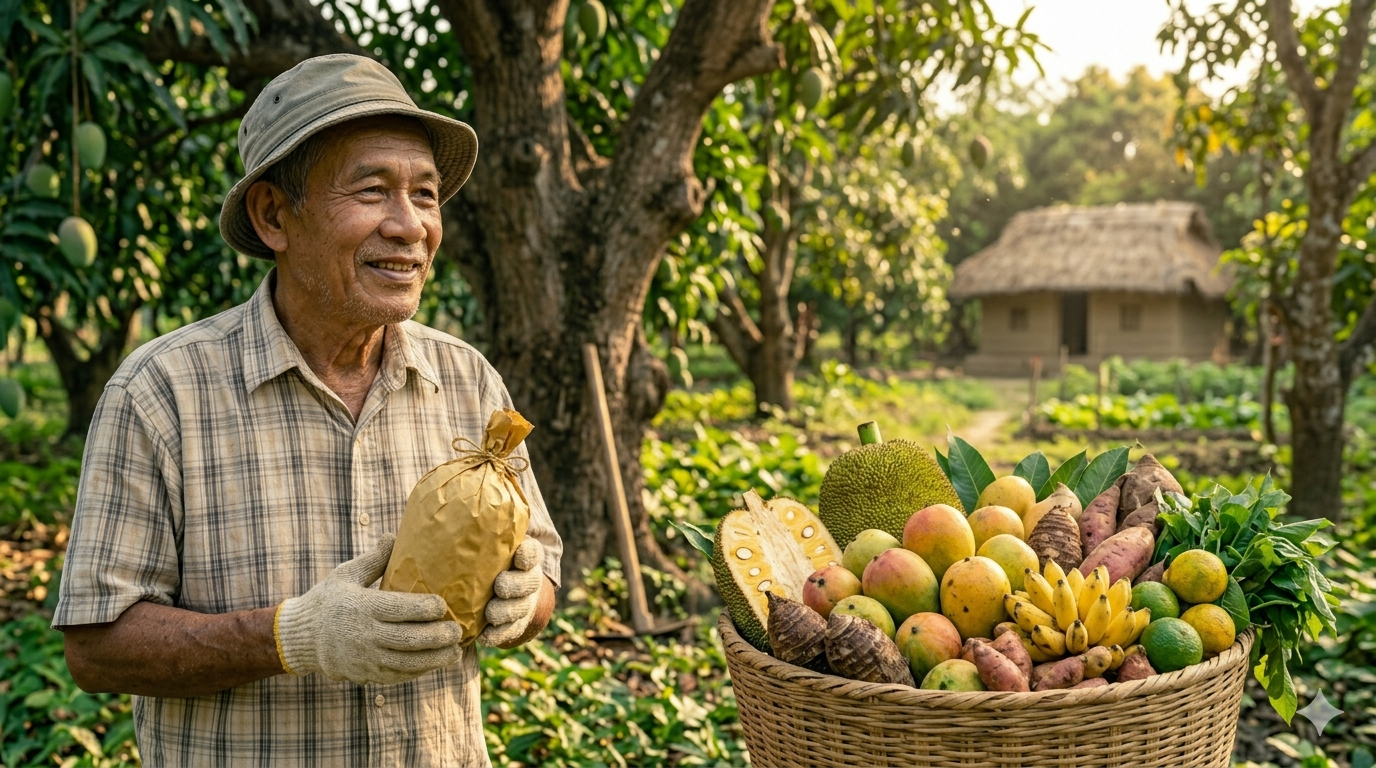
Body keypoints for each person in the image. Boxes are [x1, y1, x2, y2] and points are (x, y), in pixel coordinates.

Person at [52, 54, 562, 767]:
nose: (410, 226)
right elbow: (98, 648)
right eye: (373, 190)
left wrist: (523, 598)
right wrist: (294, 635)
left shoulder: (468, 380)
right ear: (273, 215)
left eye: (425, 194)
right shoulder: (160, 393)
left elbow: (542, 583)